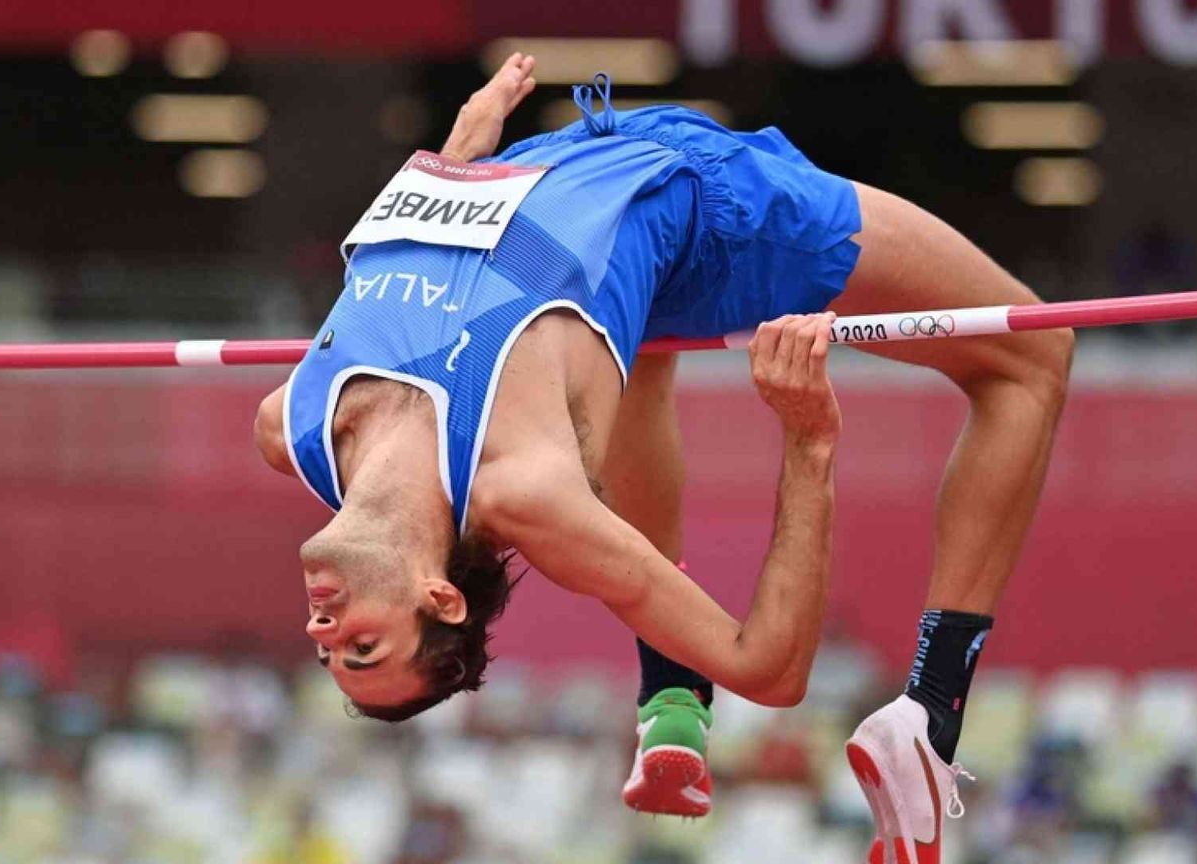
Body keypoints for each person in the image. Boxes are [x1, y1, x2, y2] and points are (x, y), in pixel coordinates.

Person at [252, 54, 1073, 861]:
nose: (323, 630)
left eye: (329, 652)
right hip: (705, 208)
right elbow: (771, 669)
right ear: (440, 596)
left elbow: (394, 279)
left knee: (629, 356)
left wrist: (454, 156)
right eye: (363, 648)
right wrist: (808, 440)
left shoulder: (293, 425)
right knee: (1034, 355)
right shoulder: (522, 486)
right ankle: (931, 711)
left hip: (546, 168)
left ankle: (672, 699)